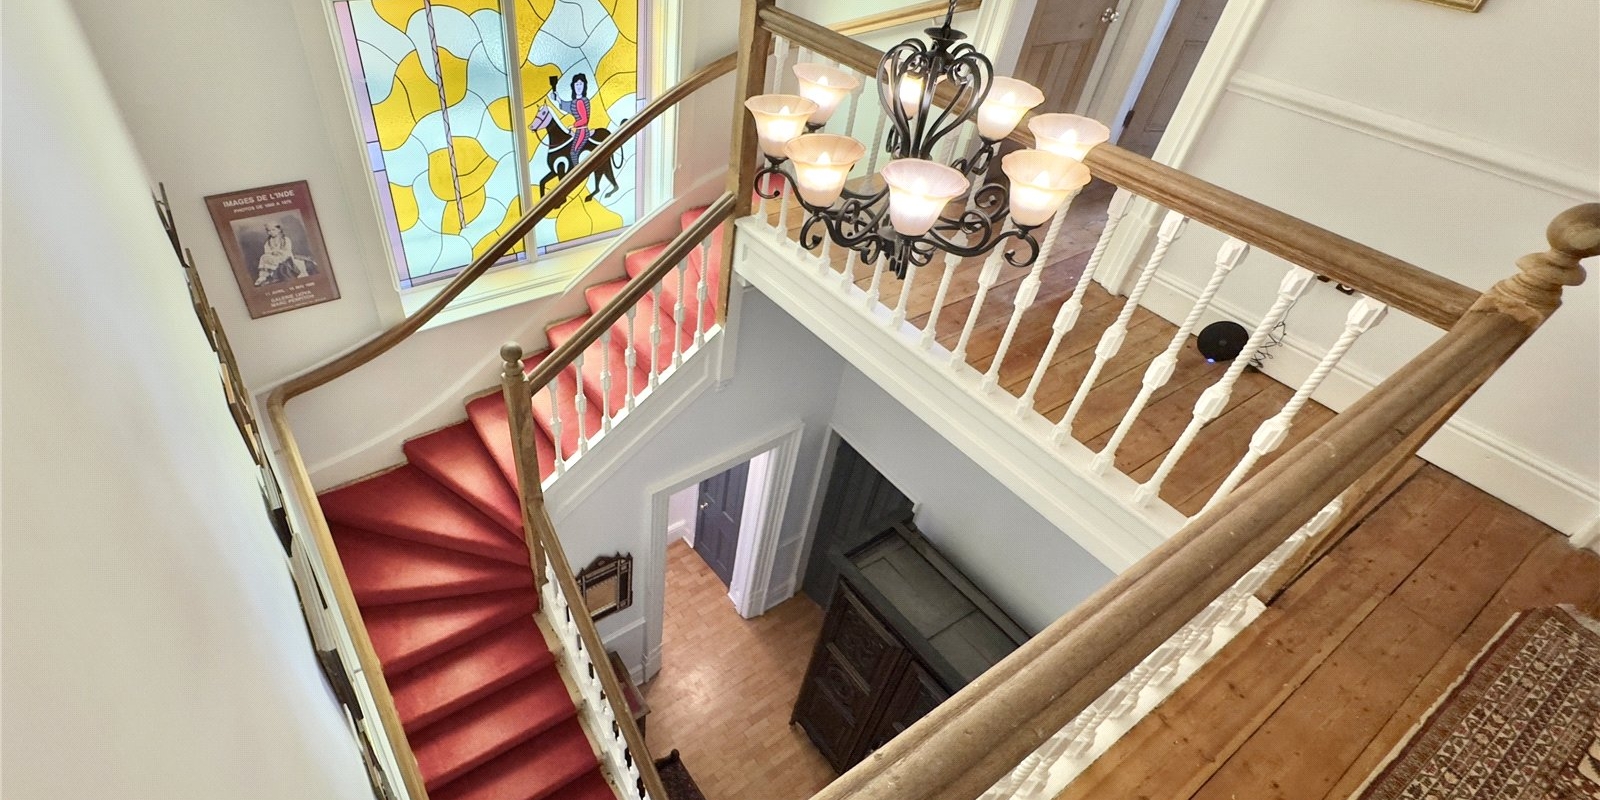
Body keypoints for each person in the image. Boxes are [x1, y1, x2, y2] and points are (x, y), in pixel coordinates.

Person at [254, 220, 315, 285]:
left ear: (279, 230)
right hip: (273, 257)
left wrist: (279, 252)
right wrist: (272, 252)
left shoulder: (285, 239)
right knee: (263, 257)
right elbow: (267, 251)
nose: (271, 232)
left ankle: (278, 271)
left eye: (273, 230)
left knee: (283, 259)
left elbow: (288, 250)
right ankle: (263, 276)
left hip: (284, 256)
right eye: (269, 231)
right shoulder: (268, 242)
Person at [548, 73, 592, 157]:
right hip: (578, 130)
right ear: (573, 86)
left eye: (580, 84)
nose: (579, 87)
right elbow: (569, 107)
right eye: (577, 84)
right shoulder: (575, 101)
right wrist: (557, 98)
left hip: (582, 131)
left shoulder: (582, 101)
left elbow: (584, 120)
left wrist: (573, 125)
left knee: (573, 153)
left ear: (584, 85)